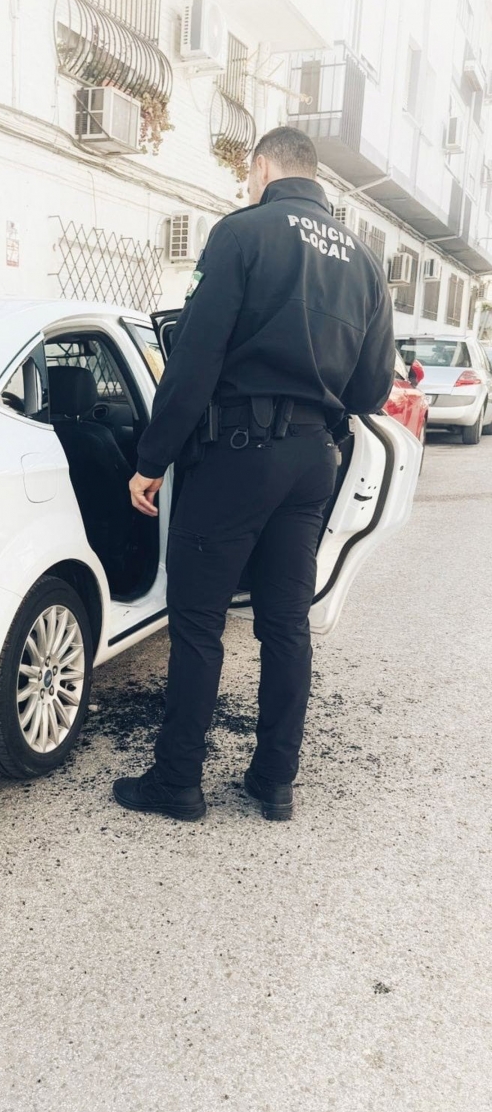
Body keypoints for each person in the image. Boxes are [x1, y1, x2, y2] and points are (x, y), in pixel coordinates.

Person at [113, 126, 394, 823]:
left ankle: (177, 782)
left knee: (199, 622)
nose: (247, 184)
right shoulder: (364, 261)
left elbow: (194, 359)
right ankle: (274, 782)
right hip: (312, 463)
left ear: (263, 167)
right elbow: (371, 390)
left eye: (248, 174)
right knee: (285, 625)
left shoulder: (242, 233)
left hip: (237, 454)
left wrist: (151, 460)